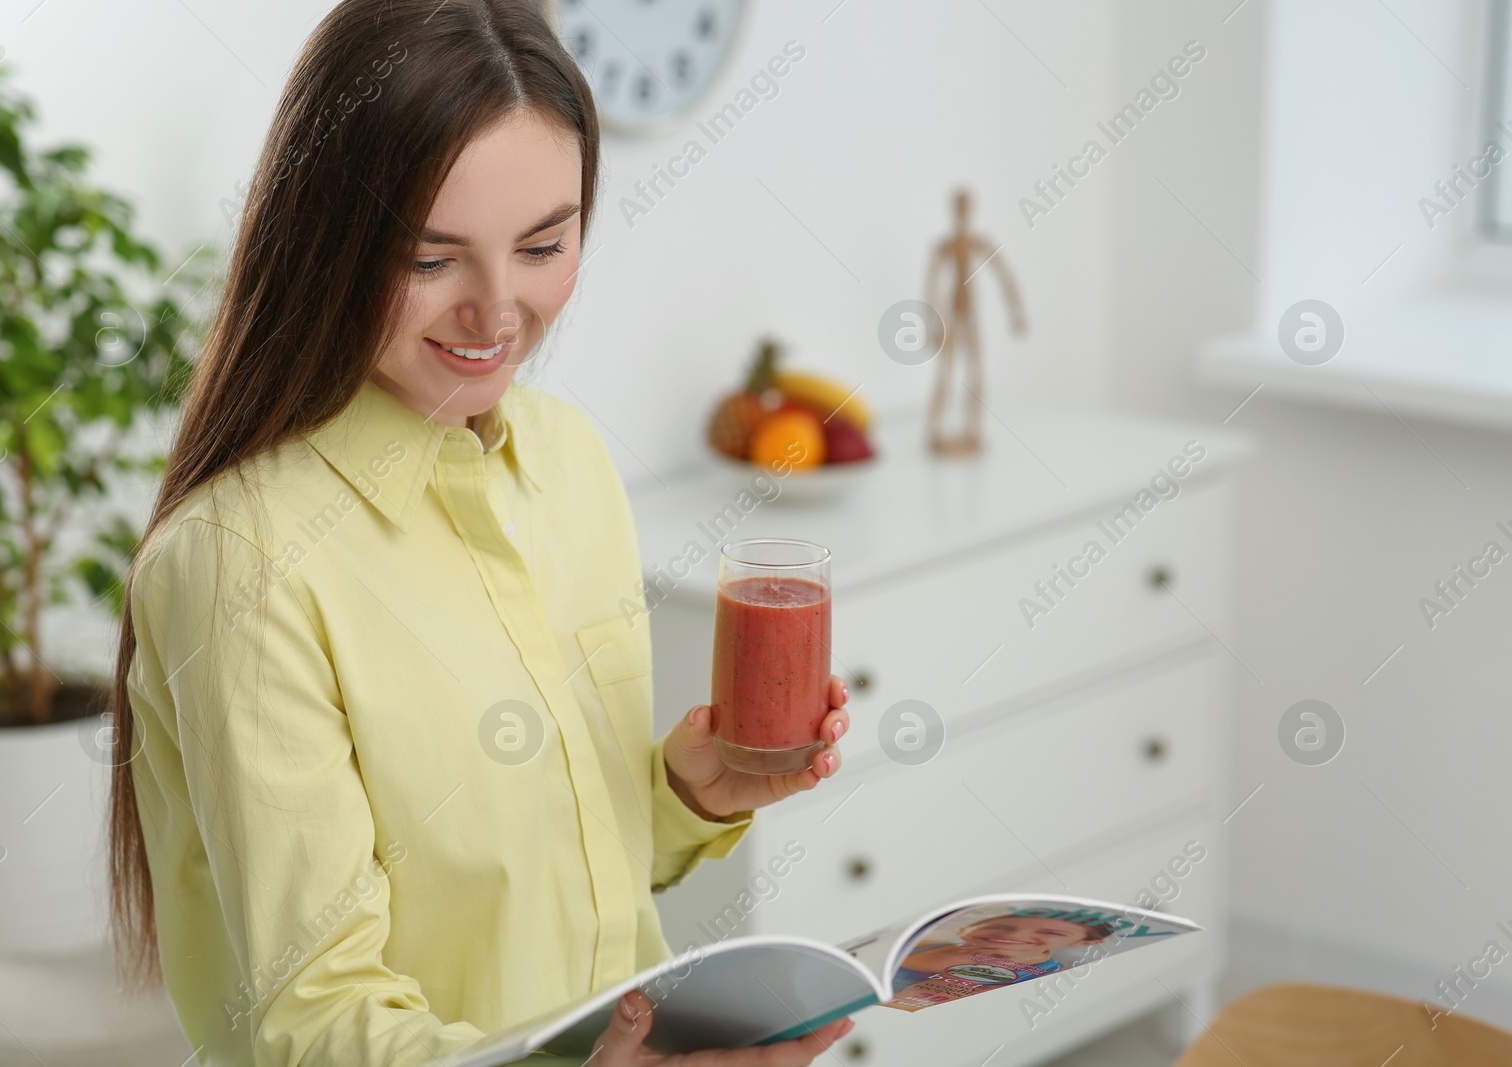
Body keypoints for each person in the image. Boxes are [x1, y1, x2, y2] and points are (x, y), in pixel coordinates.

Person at [103, 2, 852, 1064]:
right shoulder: (241, 562)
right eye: (429, 259)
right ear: (327, 240)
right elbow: (313, 1019)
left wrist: (685, 794)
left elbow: (540, 886)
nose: (498, 310)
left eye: (544, 242)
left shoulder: (567, 458)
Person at [883, 914, 1111, 1011]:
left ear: (1082, 941)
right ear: (966, 929)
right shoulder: (925, 941)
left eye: (1053, 932)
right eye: (1000, 926)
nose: (1014, 936)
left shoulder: (1043, 981)